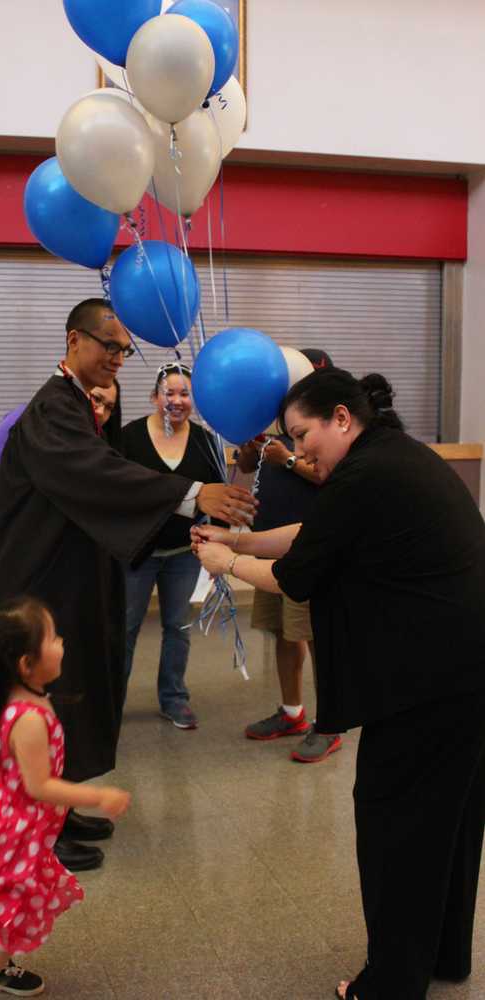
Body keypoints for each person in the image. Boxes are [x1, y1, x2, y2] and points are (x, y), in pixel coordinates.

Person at [193, 368, 485, 999]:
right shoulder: (389, 458)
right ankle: (442, 958)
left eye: (303, 435)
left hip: (427, 685)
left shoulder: (366, 474)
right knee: (447, 827)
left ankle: (390, 984)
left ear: (342, 419)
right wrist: (239, 536)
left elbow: (298, 573)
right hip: (461, 671)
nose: (299, 452)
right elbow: (313, 536)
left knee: (397, 828)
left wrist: (227, 561)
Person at [0, 298, 256, 872]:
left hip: (73, 576)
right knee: (48, 701)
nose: (117, 357)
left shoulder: (85, 406)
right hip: (41, 584)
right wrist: (191, 493)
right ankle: (40, 828)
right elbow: (94, 474)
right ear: (73, 339)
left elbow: (103, 481)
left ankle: (61, 807)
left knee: (79, 686)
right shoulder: (51, 409)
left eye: (125, 350)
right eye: (108, 345)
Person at [0, 596, 130, 1000]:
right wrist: (98, 795)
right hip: (14, 830)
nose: (62, 642)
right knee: (9, 920)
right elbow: (40, 785)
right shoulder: (29, 717)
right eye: (52, 638)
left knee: (8, 903)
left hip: (12, 822)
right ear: (26, 665)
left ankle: (2, 965)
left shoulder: (16, 700)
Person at [237, 347, 341, 762]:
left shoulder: (327, 426)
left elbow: (326, 476)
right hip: (270, 548)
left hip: (308, 548)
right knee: (283, 633)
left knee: (315, 637)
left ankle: (330, 723)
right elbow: (249, 465)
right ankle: (292, 713)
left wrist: (289, 458)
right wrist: (249, 450)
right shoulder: (277, 418)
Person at [0, 381, 121, 617]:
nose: (100, 411)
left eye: (109, 407)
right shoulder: (25, 417)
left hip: (41, 541)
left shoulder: (90, 439)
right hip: (0, 533)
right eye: (96, 399)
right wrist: (51, 488)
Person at [122, 363, 224, 730]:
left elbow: (219, 498)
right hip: (137, 553)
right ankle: (110, 701)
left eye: (185, 394)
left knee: (177, 627)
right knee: (125, 628)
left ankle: (174, 699)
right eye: (170, 393)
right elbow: (119, 493)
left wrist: (221, 549)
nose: (177, 400)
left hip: (184, 554)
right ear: (154, 397)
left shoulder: (206, 442)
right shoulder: (128, 438)